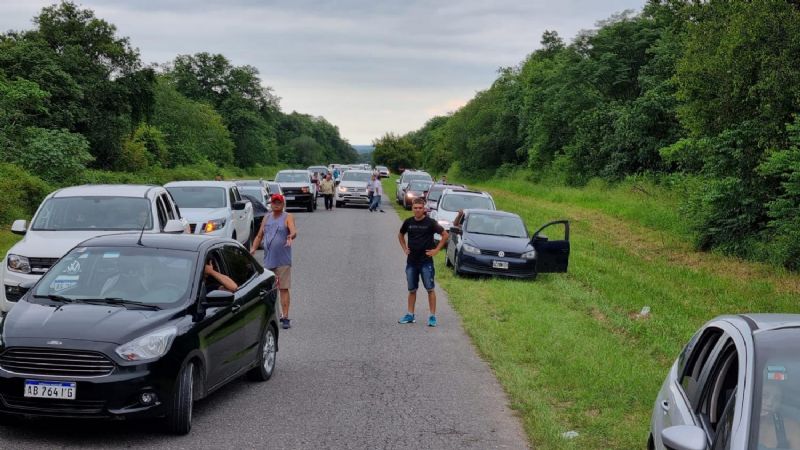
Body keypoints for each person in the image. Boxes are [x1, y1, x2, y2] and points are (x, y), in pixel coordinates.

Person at [398, 197, 449, 327]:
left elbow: (445, 235)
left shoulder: (431, 223)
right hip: (412, 262)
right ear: (412, 208)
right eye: (415, 208)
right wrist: (404, 248)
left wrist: (436, 250)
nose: (417, 210)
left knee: (430, 289)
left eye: (420, 208)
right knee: (412, 290)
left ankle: (432, 317)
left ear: (424, 209)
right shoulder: (408, 222)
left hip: (426, 262)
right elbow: (400, 234)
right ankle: (410, 315)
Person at [251, 193, 297, 329]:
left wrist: (291, 236)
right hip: (268, 260)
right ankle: (268, 316)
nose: (276, 205)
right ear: (271, 204)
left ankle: (285, 317)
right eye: (274, 202)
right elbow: (259, 235)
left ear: (283, 204)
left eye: (279, 202)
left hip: (283, 260)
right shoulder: (266, 217)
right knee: (268, 290)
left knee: (283, 288)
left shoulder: (287, 217)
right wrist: (253, 249)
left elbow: (293, 231)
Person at [758, 380, 800, 449]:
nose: (770, 403)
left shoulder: (791, 428)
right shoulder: (742, 422)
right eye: (765, 396)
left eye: (776, 399)